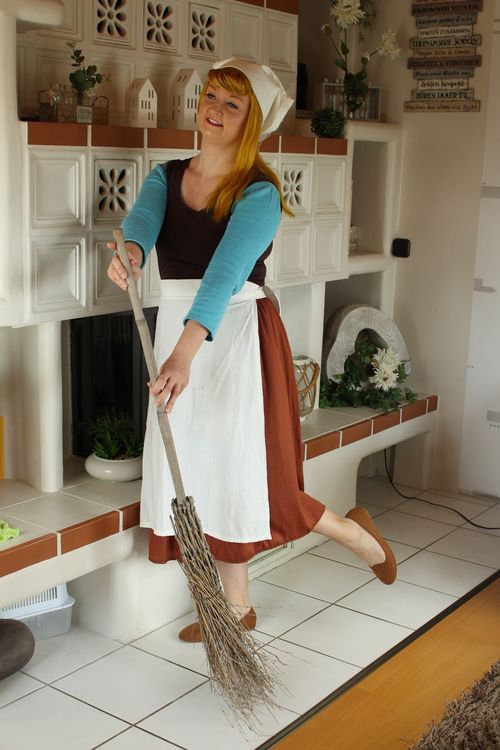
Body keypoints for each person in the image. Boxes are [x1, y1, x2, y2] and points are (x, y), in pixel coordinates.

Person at [107, 58, 397, 643]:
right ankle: (236, 607)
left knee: (245, 471)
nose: (214, 109)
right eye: (211, 96)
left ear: (252, 122)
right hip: (179, 332)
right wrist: (130, 256)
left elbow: (222, 277)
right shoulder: (167, 176)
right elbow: (140, 224)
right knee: (197, 466)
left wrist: (183, 356)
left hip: (236, 335)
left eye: (232, 104)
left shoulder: (259, 193)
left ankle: (353, 535)